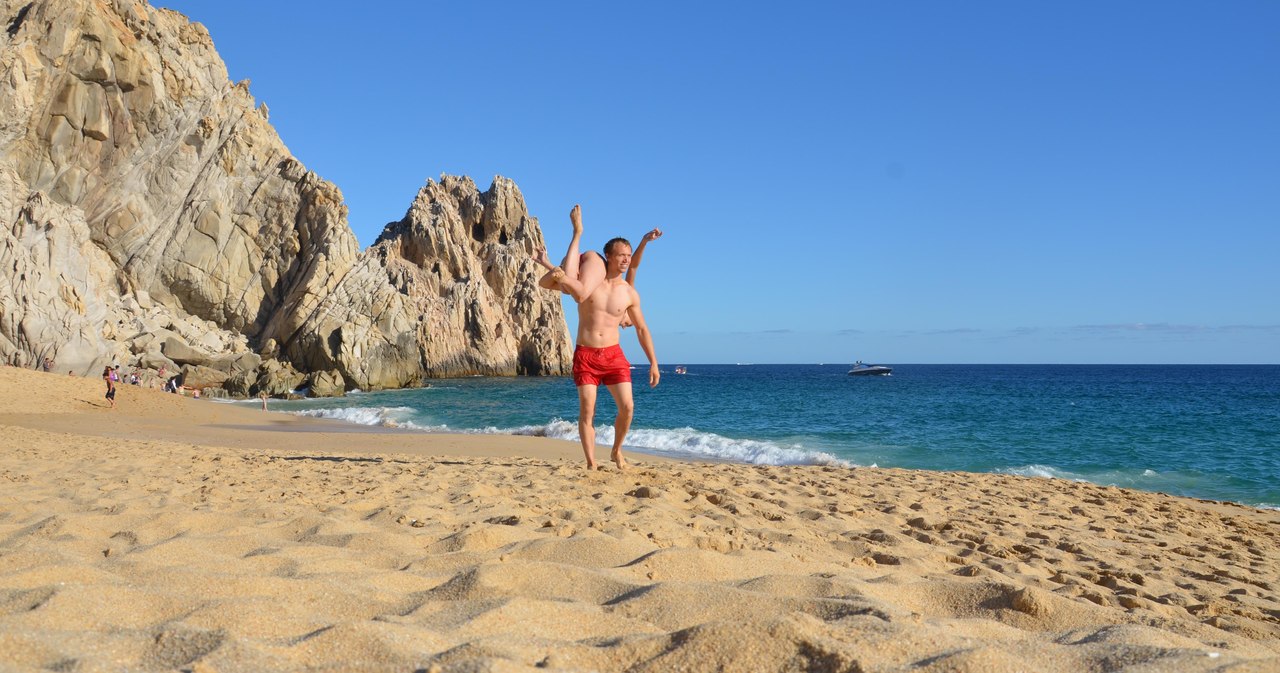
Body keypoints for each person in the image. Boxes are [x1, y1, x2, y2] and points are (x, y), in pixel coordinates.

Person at [534, 207, 659, 471]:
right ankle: (591, 463)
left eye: (628, 256)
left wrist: (654, 362)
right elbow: (550, 283)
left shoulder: (629, 293)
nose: (626, 260)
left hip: (613, 355)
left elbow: (642, 329)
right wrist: (552, 266)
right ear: (609, 257)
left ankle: (616, 450)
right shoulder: (588, 283)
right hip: (586, 354)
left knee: (628, 407)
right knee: (587, 411)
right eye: (621, 255)